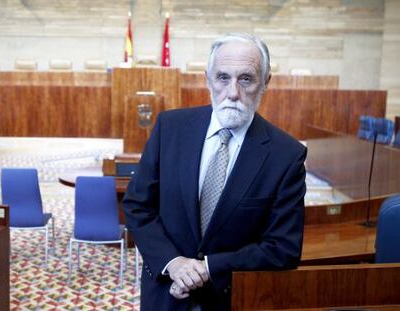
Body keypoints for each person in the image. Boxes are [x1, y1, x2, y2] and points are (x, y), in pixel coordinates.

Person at [123, 33, 307, 311]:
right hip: (164, 296)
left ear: (265, 82)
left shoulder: (286, 155)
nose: (233, 92)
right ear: (207, 78)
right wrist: (173, 263)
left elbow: (283, 248)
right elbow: (138, 207)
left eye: (246, 79)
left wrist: (209, 267)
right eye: (223, 77)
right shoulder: (169, 128)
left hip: (233, 300)